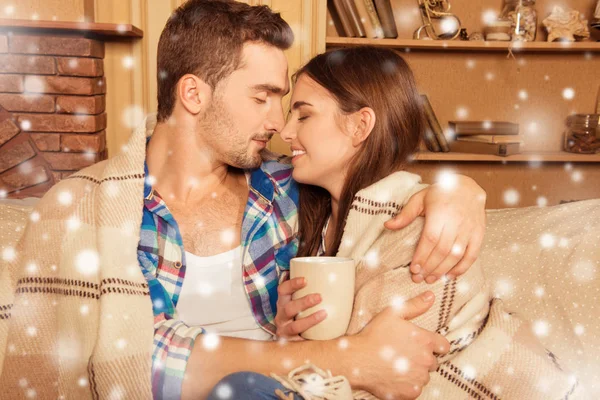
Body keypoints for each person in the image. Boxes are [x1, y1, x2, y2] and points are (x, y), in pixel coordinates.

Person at [0, 1, 487, 399]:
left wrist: (459, 191)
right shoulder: (88, 209)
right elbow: (125, 355)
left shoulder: (291, 189)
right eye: (262, 97)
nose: (278, 122)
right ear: (193, 93)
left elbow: (377, 192)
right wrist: (346, 357)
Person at [264, 46, 581, 399]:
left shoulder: (416, 229)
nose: (286, 130)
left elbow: (391, 372)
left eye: (303, 116)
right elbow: (334, 359)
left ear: (359, 126)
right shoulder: (303, 213)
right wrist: (291, 339)